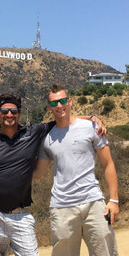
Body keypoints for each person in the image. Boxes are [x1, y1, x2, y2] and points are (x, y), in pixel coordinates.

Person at [0, 93, 106, 256]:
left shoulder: (33, 132)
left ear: (19, 112)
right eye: (5, 111)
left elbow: (63, 121)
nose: (9, 115)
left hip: (20, 215)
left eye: (14, 111)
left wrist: (92, 118)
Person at [33, 85, 119, 256]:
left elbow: (108, 164)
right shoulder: (47, 138)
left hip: (94, 203)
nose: (59, 106)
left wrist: (114, 200)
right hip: (62, 208)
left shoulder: (91, 127)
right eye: (54, 103)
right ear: (49, 106)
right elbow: (38, 174)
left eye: (63, 101)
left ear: (70, 101)